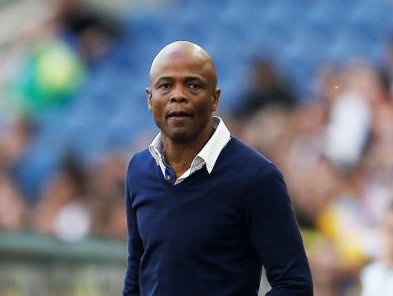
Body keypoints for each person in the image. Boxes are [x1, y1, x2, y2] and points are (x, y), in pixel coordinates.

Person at [123, 41, 313, 295]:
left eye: (193, 85)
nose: (178, 95)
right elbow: (137, 274)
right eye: (166, 85)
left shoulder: (256, 177)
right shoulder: (139, 170)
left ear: (214, 99)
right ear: (150, 98)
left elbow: (294, 286)